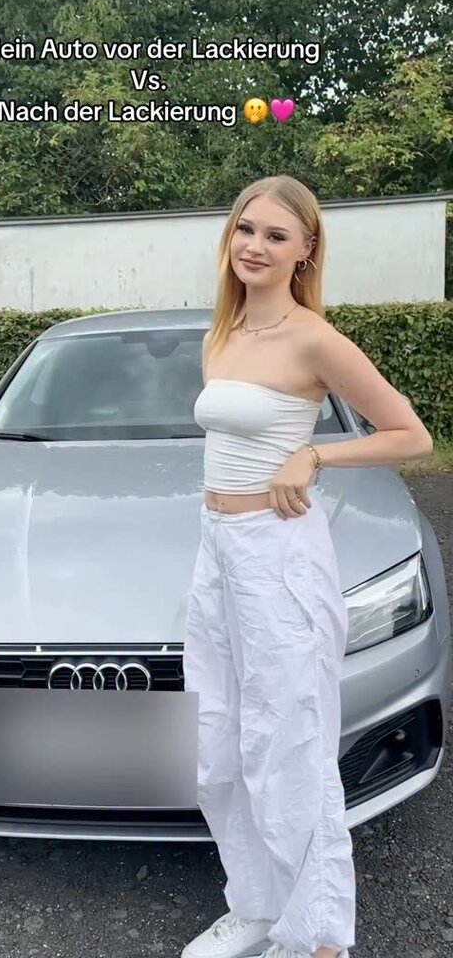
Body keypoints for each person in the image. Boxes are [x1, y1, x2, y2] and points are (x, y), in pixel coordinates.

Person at [181, 174, 433, 958]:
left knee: (289, 743)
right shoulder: (221, 335)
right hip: (217, 549)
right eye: (245, 228)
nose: (254, 245)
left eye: (275, 235)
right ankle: (258, 907)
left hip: (279, 551)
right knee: (219, 738)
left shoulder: (314, 339)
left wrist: (315, 455)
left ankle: (318, 938)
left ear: (306, 249)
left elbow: (410, 434)